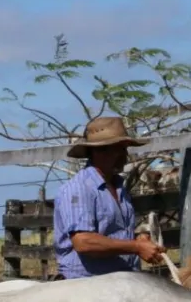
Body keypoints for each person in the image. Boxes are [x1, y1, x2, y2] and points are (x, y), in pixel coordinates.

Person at [52, 116, 166, 280]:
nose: (125, 155)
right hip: (86, 283)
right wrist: (135, 247)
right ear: (101, 151)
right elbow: (84, 242)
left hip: (119, 280)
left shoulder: (119, 187)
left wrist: (137, 240)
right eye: (120, 149)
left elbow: (111, 233)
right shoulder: (78, 189)